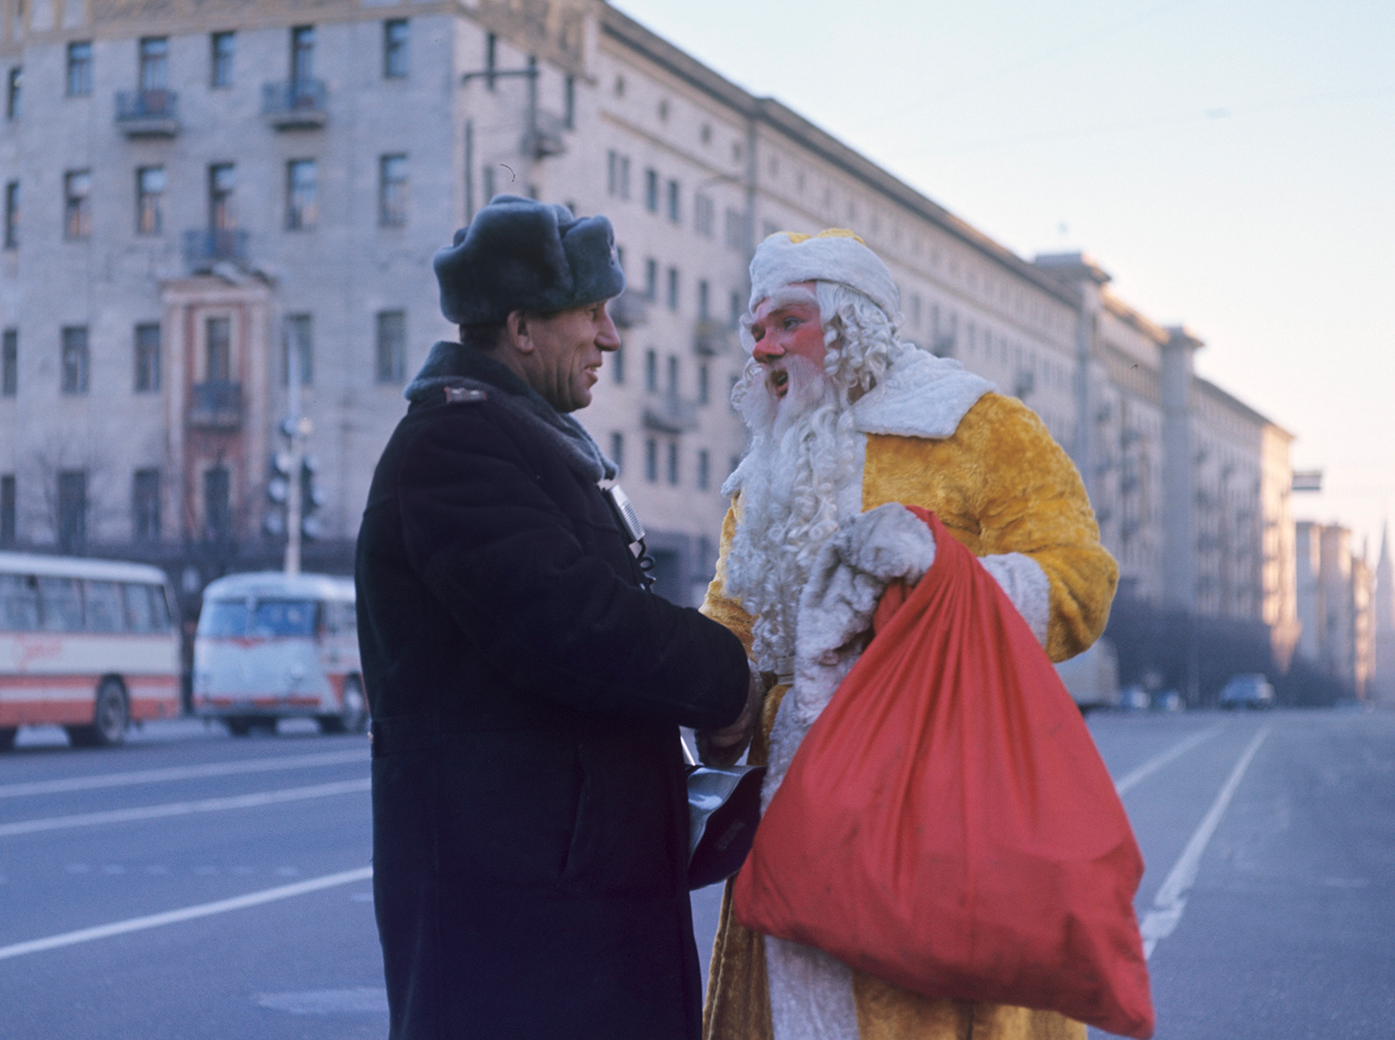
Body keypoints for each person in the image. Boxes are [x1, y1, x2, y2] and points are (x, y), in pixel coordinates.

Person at [356, 194, 761, 1040]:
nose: (610, 337)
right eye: (590, 312)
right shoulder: (453, 447)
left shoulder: (524, 442)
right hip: (518, 930)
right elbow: (572, 625)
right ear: (522, 328)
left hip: (560, 905)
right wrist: (728, 682)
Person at [700, 229, 1119, 1040]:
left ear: (853, 322)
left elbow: (1078, 579)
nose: (764, 347)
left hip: (942, 809)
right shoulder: (762, 470)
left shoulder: (976, 427)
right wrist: (709, 697)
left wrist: (936, 586)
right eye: (755, 329)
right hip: (790, 815)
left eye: (788, 322)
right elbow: (734, 620)